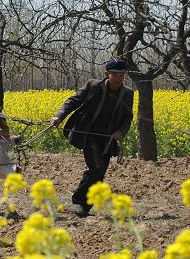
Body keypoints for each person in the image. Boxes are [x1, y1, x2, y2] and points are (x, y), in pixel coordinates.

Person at [50, 57, 134, 216]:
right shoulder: (93, 86)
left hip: (108, 139)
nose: (118, 78)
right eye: (115, 75)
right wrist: (59, 116)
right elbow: (73, 101)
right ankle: (79, 201)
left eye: (122, 75)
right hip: (89, 134)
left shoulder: (128, 93)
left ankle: (85, 207)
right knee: (97, 168)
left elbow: (127, 117)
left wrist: (121, 132)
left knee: (100, 173)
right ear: (106, 73)